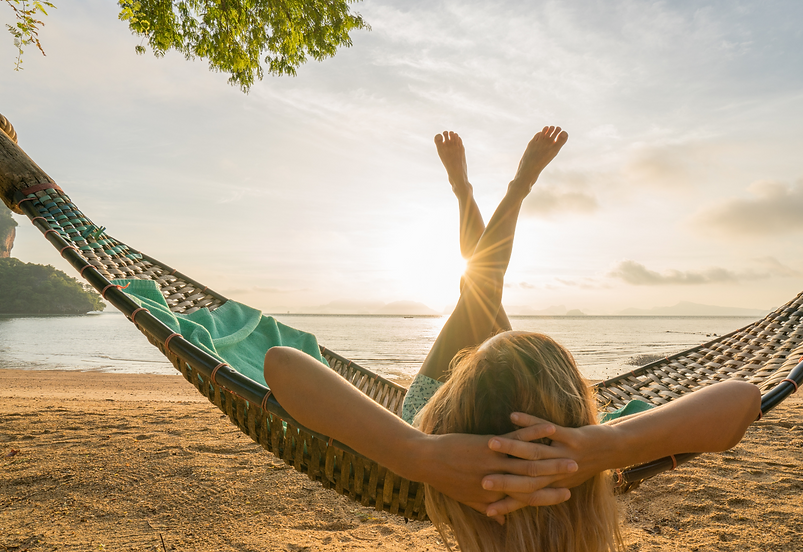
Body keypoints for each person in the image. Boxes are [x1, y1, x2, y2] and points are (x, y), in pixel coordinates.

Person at [264, 127, 762, 551]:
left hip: (441, 416)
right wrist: (607, 444)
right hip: (518, 413)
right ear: (581, 408)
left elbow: (282, 365)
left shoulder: (434, 451)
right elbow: (743, 399)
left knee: (479, 288)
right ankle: (501, 189)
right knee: (479, 289)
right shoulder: (579, 453)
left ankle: (488, 191)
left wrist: (418, 452)